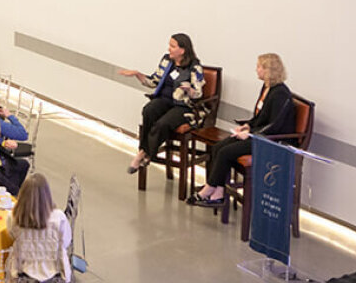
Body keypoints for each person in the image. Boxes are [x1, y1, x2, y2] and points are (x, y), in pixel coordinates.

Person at [189, 53, 296, 207]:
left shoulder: (280, 93)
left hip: (271, 141)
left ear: (268, 70)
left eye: (259, 67)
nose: (256, 69)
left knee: (226, 152)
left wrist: (251, 134)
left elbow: (275, 125)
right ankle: (218, 193)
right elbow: (260, 117)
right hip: (259, 134)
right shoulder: (267, 88)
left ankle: (208, 189)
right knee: (219, 147)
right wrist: (248, 126)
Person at [118, 33, 205, 174]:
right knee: (149, 110)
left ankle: (143, 154)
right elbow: (154, 82)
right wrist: (137, 74)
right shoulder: (167, 61)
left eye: (172, 46)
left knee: (162, 124)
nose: (168, 48)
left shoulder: (195, 67)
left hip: (183, 106)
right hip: (164, 100)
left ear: (182, 50)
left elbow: (198, 93)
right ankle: (146, 153)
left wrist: (190, 90)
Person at [7, 173, 72, 283]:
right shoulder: (59, 217)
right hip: (54, 264)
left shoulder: (13, 216)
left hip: (24, 264)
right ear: (47, 195)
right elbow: (66, 242)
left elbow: (12, 236)